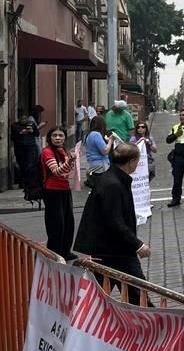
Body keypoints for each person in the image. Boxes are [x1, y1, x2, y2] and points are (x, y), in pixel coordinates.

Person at [74, 142, 153, 306]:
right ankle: (155, 326)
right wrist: (137, 245)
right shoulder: (113, 184)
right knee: (138, 294)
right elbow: (114, 221)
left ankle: (86, 322)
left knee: (99, 296)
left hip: (108, 249)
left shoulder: (112, 178)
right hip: (115, 250)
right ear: (131, 161)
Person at [41, 127, 76, 261]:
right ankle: (55, 252)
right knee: (56, 224)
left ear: (65, 138)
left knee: (68, 223)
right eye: (54, 135)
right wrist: (70, 161)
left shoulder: (64, 152)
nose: (58, 138)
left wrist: (70, 161)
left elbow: (68, 170)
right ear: (50, 138)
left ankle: (65, 251)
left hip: (65, 189)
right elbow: (56, 171)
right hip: (52, 191)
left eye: (61, 135)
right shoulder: (47, 152)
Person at [84, 115, 115, 189]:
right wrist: (110, 141)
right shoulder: (96, 135)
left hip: (93, 164)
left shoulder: (90, 135)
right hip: (100, 165)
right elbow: (105, 151)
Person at [11, 110, 40, 188]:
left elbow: (37, 134)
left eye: (25, 118)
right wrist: (20, 133)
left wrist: (32, 131)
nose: (24, 120)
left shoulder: (31, 124)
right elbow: (12, 137)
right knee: (22, 164)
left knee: (30, 164)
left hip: (30, 147)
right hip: (19, 147)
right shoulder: (15, 126)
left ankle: (29, 182)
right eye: (22, 119)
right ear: (19, 119)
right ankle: (22, 182)